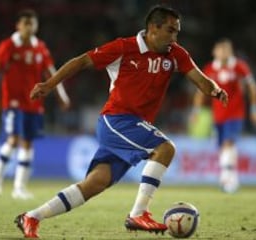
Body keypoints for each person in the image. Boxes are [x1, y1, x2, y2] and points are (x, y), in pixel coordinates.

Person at [14, 6, 228, 238]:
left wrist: (216, 91)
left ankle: (32, 216)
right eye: (170, 30)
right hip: (116, 120)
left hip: (130, 127)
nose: (174, 37)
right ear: (153, 28)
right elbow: (81, 61)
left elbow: (200, 78)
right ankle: (138, 213)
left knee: (95, 183)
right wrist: (49, 85)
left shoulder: (175, 53)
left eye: (177, 32)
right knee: (165, 148)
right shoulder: (124, 48)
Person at [0, 9, 70, 200]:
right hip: (13, 103)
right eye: (25, 23)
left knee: (27, 143)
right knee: (13, 140)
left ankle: (19, 188)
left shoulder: (40, 47)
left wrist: (62, 95)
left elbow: (51, 72)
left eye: (32, 23)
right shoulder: (8, 46)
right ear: (18, 25)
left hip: (33, 104)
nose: (29, 27)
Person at [191, 38, 256, 193]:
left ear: (230, 52)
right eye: (220, 50)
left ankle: (226, 179)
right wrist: (195, 111)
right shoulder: (210, 68)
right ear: (214, 52)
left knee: (228, 143)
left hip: (235, 113)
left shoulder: (239, 66)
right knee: (224, 147)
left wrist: (255, 108)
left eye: (226, 50)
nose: (223, 53)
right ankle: (232, 178)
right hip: (218, 115)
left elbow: (252, 86)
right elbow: (200, 91)